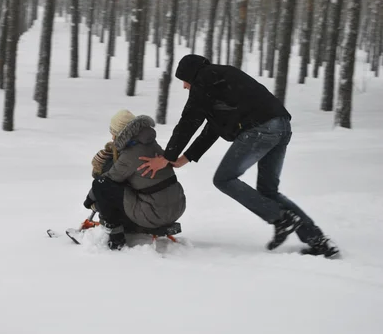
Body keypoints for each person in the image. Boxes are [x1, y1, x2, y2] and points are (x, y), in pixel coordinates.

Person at [137, 54, 339, 258]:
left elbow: (189, 121)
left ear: (191, 75)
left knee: (224, 179)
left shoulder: (205, 79)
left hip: (261, 129)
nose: (184, 87)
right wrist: (185, 157)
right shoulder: (221, 80)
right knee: (268, 192)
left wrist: (166, 156)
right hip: (281, 127)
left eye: (184, 80)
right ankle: (318, 240)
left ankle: (281, 218)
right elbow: (213, 127)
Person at [84, 110, 186, 250]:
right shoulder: (151, 145)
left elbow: (107, 181)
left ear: (120, 134)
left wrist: (89, 199)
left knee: (101, 185)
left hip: (155, 213)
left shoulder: (131, 154)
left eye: (113, 133)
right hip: (176, 207)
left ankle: (116, 238)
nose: (112, 138)